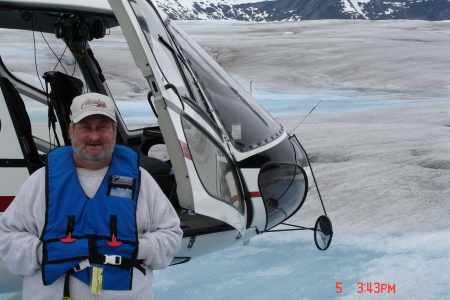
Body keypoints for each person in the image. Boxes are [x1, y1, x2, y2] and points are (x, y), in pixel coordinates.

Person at [0, 93, 183, 299]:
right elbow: (7, 235)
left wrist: (139, 248)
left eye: (102, 127)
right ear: (71, 130)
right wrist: (42, 252)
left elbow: (171, 234)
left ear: (113, 131)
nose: (94, 136)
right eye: (85, 127)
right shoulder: (41, 181)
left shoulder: (142, 181)